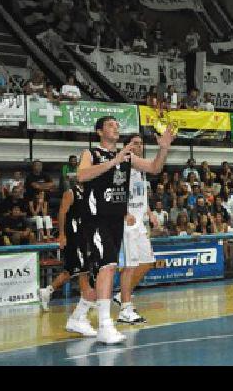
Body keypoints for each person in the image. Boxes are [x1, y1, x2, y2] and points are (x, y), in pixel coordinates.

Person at [77, 116, 174, 344]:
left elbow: (154, 167)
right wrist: (114, 160)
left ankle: (81, 316)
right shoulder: (91, 154)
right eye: (111, 125)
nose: (115, 128)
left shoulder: (128, 158)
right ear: (99, 131)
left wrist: (163, 149)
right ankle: (104, 324)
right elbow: (81, 175)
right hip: (95, 217)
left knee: (106, 270)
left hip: (115, 221)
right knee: (109, 267)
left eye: (117, 125)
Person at [113, 134, 170, 324]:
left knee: (146, 262)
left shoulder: (138, 168)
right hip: (126, 223)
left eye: (140, 143)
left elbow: (139, 193)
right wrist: (122, 213)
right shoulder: (123, 162)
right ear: (126, 146)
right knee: (129, 267)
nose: (138, 146)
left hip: (139, 222)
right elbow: (112, 191)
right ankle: (125, 309)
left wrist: (150, 213)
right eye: (134, 143)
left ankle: (122, 295)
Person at [37, 179, 100, 337]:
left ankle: (47, 291)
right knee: (82, 271)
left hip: (83, 236)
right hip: (73, 237)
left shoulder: (89, 194)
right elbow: (62, 212)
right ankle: (83, 311)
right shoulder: (70, 193)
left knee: (71, 270)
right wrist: (62, 235)